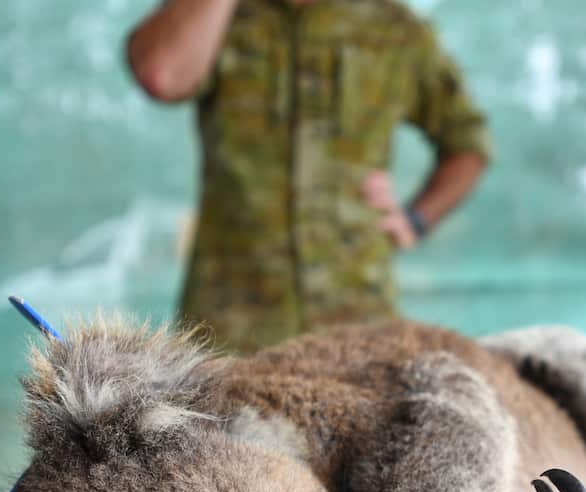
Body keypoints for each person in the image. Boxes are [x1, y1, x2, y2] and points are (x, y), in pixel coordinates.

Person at [126, 0, 491, 351]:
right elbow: (163, 75)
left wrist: (415, 219)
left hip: (358, 324)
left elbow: (468, 143)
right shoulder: (215, 17)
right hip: (229, 326)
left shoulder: (394, 27)